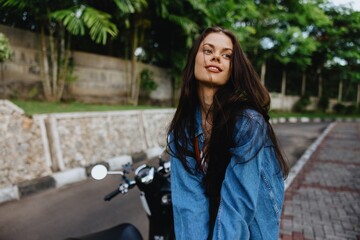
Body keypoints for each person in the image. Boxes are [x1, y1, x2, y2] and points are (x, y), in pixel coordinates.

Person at [167, 26, 289, 240]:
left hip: (255, 227)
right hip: (217, 220)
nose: (216, 57)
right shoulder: (182, 133)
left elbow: (238, 205)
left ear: (233, 68)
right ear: (194, 58)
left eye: (226, 55)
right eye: (208, 51)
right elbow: (189, 207)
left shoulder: (248, 123)